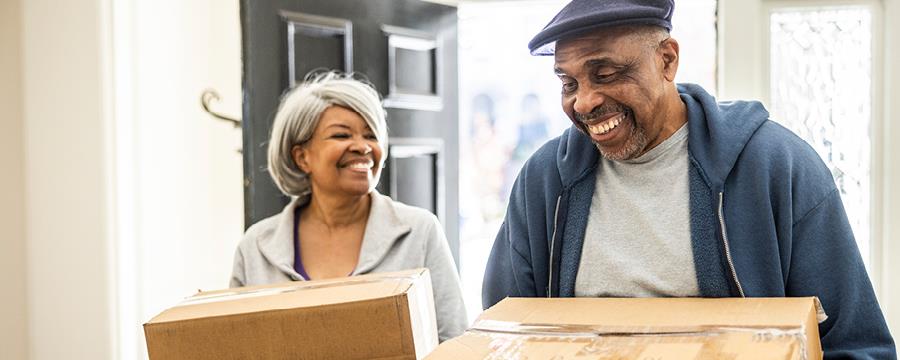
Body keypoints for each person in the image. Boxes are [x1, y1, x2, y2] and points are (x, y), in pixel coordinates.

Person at [481, 0, 895, 358]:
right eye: (568, 83)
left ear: (667, 59)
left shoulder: (777, 167)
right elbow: (501, 335)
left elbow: (856, 346)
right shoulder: (544, 181)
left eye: (605, 74)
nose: (584, 101)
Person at [231, 71, 467, 342]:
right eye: (342, 135)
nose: (363, 147)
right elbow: (237, 345)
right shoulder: (256, 247)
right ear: (302, 157)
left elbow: (455, 341)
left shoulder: (419, 232)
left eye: (371, 135)